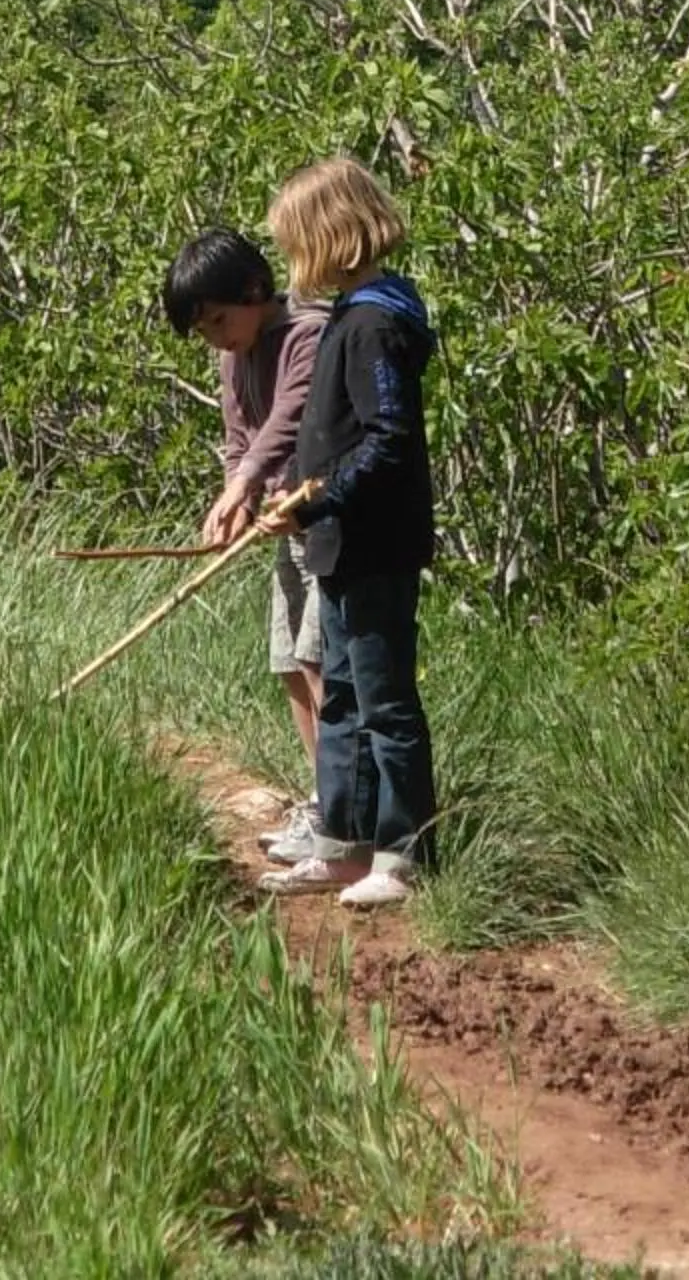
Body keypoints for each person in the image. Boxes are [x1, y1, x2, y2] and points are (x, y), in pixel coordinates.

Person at [257, 157, 438, 913]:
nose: (291, 262)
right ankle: (342, 838)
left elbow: (388, 439)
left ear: (330, 237)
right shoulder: (349, 315)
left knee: (385, 699)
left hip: (374, 544)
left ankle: (403, 851)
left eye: (296, 242)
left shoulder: (375, 322)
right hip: (338, 544)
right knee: (342, 701)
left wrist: (319, 501)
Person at [163, 227, 329, 862]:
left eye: (218, 321)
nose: (215, 338)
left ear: (255, 291)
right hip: (281, 531)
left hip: (323, 525)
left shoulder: (306, 333)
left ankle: (344, 809)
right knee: (289, 662)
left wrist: (246, 484)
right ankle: (322, 796)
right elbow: (241, 438)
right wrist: (239, 501)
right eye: (202, 331)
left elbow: (289, 419)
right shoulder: (233, 356)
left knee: (320, 664)